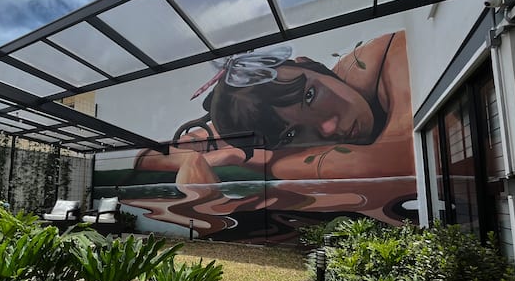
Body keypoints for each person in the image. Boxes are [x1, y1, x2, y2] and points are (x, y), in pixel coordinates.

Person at [134, 31, 414, 183]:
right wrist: (202, 158)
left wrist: (258, 160)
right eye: (292, 134)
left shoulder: (389, 54)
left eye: (310, 95)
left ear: (306, 63)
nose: (328, 129)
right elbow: (148, 156)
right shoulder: (259, 120)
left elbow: (401, 158)